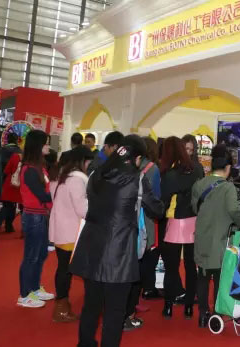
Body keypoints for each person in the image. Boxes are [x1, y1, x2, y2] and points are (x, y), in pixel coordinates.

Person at [70, 135, 164, 347]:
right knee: (114, 311)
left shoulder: (96, 173)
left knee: (91, 305)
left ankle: (85, 343)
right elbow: (157, 209)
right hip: (119, 252)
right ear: (136, 157)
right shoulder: (137, 178)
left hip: (91, 246)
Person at [192, 144, 240, 328]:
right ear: (228, 168)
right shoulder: (228, 188)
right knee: (220, 278)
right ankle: (216, 313)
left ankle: (202, 314)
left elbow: (194, 208)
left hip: (202, 237)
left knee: (203, 277)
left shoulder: (199, 184)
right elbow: (234, 210)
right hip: (220, 239)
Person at [160, 136, 204, 319]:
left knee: (171, 267)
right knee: (191, 266)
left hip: (175, 222)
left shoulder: (169, 174)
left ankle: (168, 306)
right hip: (193, 220)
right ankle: (189, 307)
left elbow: (163, 201)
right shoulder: (197, 170)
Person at [48, 146, 94, 322]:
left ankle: (61, 306)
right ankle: (63, 308)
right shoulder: (76, 180)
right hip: (73, 232)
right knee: (73, 270)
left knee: (63, 269)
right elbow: (82, 209)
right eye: (88, 162)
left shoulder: (60, 176)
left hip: (62, 230)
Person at [124, 136, 163, 330]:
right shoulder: (151, 170)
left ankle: (127, 308)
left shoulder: (110, 171)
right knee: (138, 263)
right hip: (141, 222)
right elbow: (155, 201)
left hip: (117, 229)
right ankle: (129, 311)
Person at [17, 130, 54, 308]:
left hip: (41, 215)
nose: (48, 146)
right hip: (33, 216)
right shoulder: (30, 170)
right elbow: (43, 195)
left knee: (41, 254)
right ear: (37, 146)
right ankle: (24, 295)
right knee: (31, 256)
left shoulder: (39, 167)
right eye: (46, 143)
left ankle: (34, 288)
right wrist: (58, 191)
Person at [139, 136, 164, 301]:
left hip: (131, 214)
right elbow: (155, 196)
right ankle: (147, 287)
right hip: (147, 216)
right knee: (149, 250)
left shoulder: (133, 165)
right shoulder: (152, 168)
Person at [0, 132, 22, 233]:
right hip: (16, 183)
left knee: (7, 204)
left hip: (4, 181)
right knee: (11, 205)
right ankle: (7, 225)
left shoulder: (0, 150)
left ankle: (1, 224)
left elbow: (5, 170)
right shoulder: (21, 153)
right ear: (17, 140)